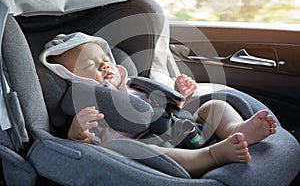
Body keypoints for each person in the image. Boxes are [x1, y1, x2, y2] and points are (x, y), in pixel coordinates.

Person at [40, 32, 276, 177]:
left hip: (180, 125)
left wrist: (179, 93)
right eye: (91, 64)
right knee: (133, 150)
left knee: (214, 106)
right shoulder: (86, 107)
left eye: (104, 59)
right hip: (148, 145)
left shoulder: (132, 85)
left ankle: (235, 129)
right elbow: (84, 149)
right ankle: (212, 155)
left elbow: (166, 106)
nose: (104, 65)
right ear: (71, 77)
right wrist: (77, 133)